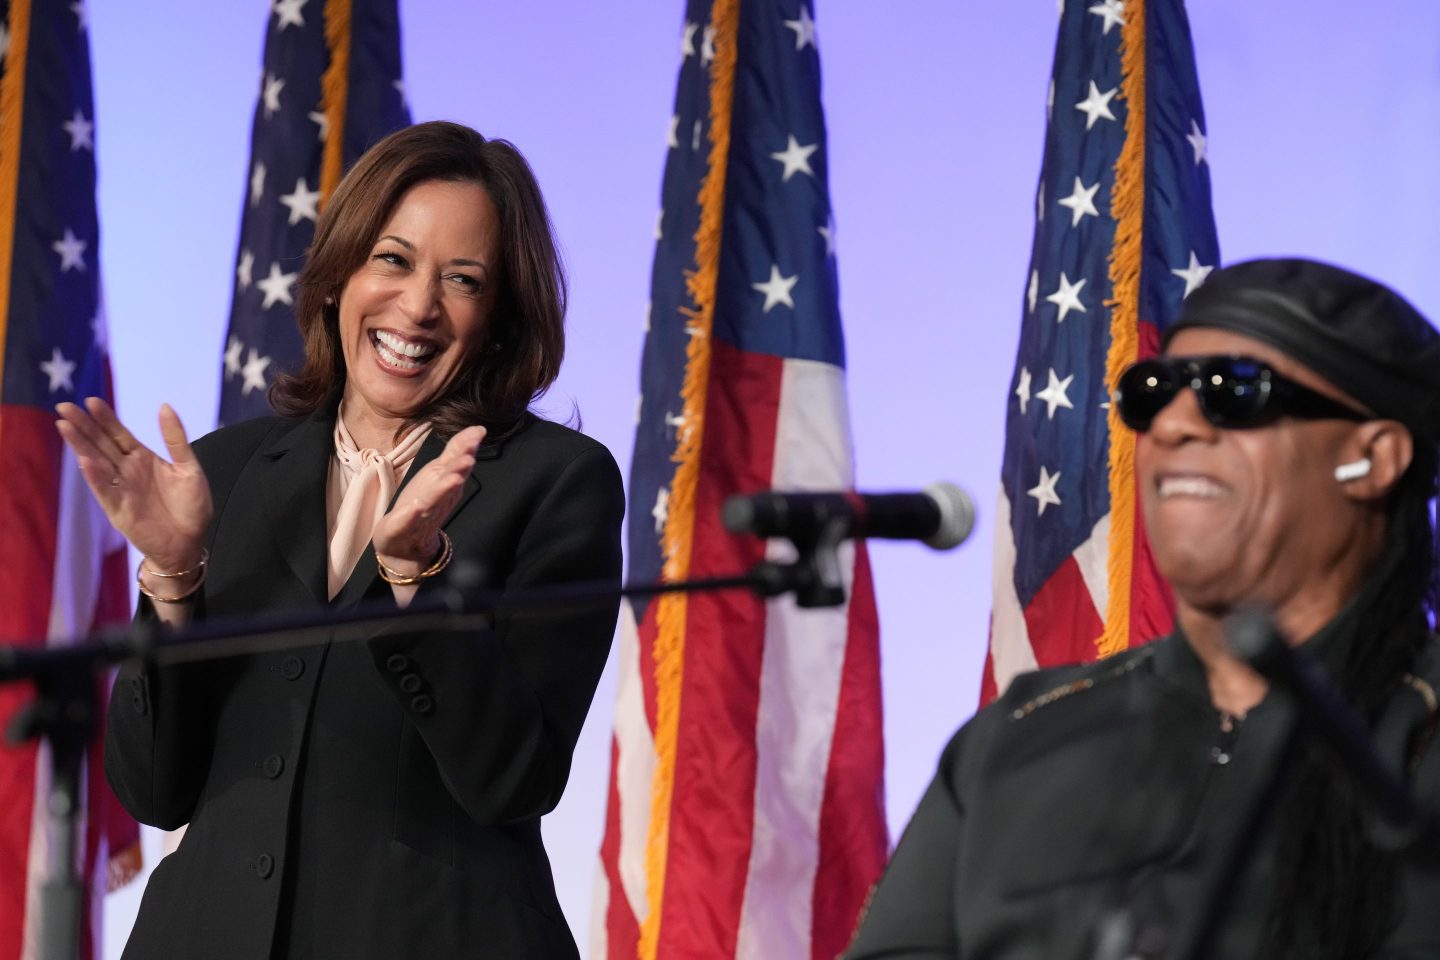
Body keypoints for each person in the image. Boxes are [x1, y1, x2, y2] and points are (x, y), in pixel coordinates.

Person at [54, 121, 624, 959]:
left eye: (462, 279)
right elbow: (152, 788)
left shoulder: (556, 481)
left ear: (499, 318)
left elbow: (513, 779)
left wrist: (416, 578)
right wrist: (174, 576)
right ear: (339, 275)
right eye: (392, 259)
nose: (418, 305)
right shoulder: (225, 472)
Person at [845, 258, 1440, 959]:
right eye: (1151, 393)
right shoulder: (1016, 739)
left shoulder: (1421, 736)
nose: (1173, 426)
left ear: (1371, 459)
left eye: (1235, 390)